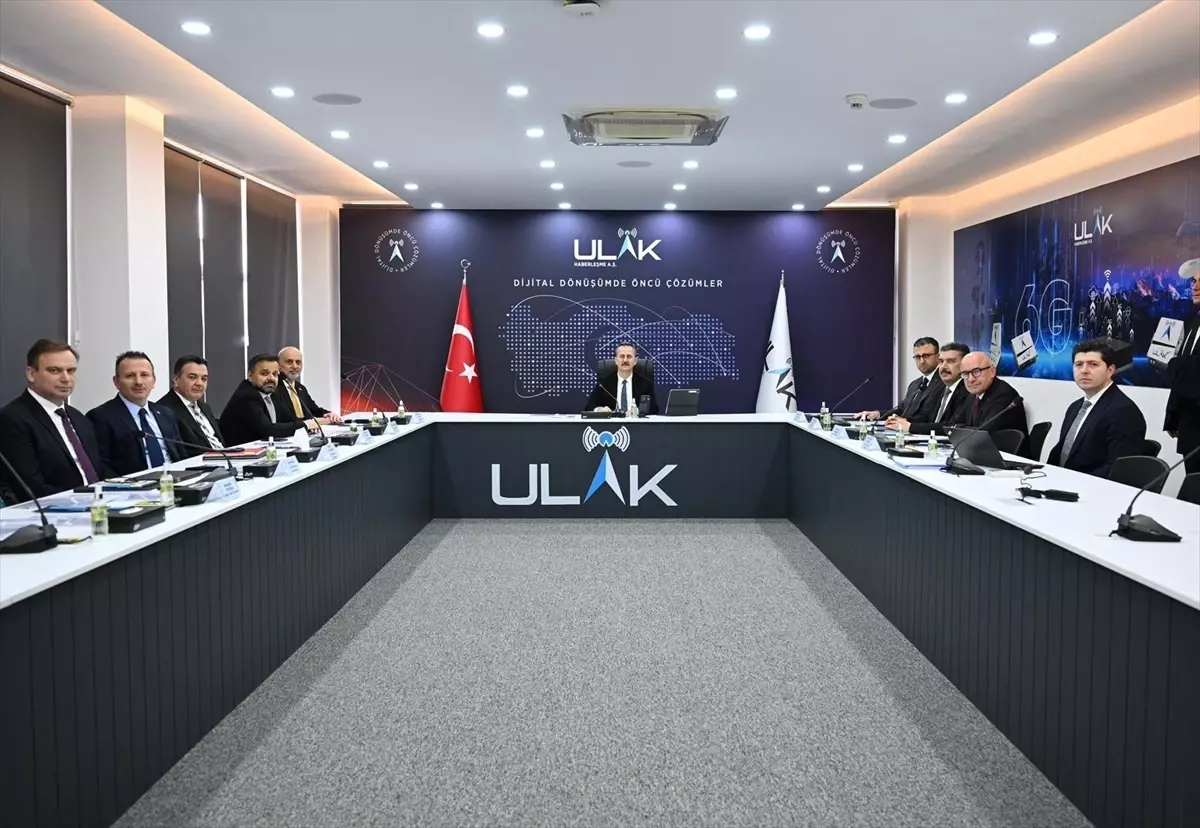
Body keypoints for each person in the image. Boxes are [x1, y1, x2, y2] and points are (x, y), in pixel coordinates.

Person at [0, 339, 107, 499]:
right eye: (55, 370)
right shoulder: (13, 419)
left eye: (71, 371)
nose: (66, 379)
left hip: (101, 503)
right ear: (31, 374)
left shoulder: (79, 418)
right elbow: (30, 488)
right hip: (58, 508)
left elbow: (99, 471)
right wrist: (82, 501)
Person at [1048, 339, 1146, 478]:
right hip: (1059, 481)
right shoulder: (1075, 407)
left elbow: (1118, 468)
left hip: (1090, 486)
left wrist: (1073, 481)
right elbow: (1063, 452)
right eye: (1079, 364)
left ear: (1110, 370)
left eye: (1093, 364)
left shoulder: (1124, 412)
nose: (1084, 370)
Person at [87, 351, 187, 476]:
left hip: (174, 481)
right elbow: (101, 467)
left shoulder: (166, 414)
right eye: (130, 376)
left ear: (154, 381)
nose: (139, 382)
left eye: (144, 375)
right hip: (134, 486)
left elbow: (181, 456)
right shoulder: (100, 417)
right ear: (116, 382)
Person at [220, 353, 319, 446]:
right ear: (250, 376)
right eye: (264, 373)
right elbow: (268, 430)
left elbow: (290, 419)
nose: (271, 378)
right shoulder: (247, 396)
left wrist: (311, 425)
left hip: (265, 449)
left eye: (275, 374)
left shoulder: (272, 393)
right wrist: (306, 425)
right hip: (241, 454)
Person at [885, 342, 970, 435]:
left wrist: (910, 427)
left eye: (951, 361)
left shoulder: (967, 391)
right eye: (941, 361)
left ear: (964, 365)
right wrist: (902, 421)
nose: (944, 366)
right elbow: (926, 418)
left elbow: (952, 426)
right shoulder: (939, 388)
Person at [856, 336, 943, 421]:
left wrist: (904, 422)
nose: (922, 361)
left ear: (938, 357)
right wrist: (877, 414)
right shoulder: (915, 384)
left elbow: (928, 417)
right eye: (917, 357)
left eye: (926, 356)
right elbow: (902, 411)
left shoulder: (944, 383)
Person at [1165, 270, 1200, 473]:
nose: (1195, 287)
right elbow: (1182, 376)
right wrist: (1173, 416)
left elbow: (1188, 369)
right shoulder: (1193, 321)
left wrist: (1173, 365)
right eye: (1194, 281)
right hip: (1190, 429)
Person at [156, 355, 225, 456]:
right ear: (176, 380)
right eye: (192, 377)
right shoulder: (164, 410)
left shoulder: (205, 407)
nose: (199, 383)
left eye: (204, 379)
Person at [953, 351, 1028, 436]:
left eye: (976, 371)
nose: (971, 379)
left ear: (992, 371)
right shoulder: (972, 395)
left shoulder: (1004, 395)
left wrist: (959, 428)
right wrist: (958, 427)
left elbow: (984, 432)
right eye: (965, 373)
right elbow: (953, 425)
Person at [586, 343, 659, 416]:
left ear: (635, 361)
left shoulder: (645, 383)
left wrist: (639, 411)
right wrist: (599, 409)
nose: (625, 360)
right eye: (622, 356)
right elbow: (589, 406)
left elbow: (654, 409)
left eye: (629, 356)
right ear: (616, 360)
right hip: (612, 422)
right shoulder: (603, 384)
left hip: (635, 421)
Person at [275, 346, 343, 424]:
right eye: (289, 362)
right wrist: (313, 422)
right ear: (279, 366)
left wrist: (329, 414)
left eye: (298, 362)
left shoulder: (301, 388)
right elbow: (286, 419)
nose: (295, 366)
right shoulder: (274, 388)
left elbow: (314, 410)